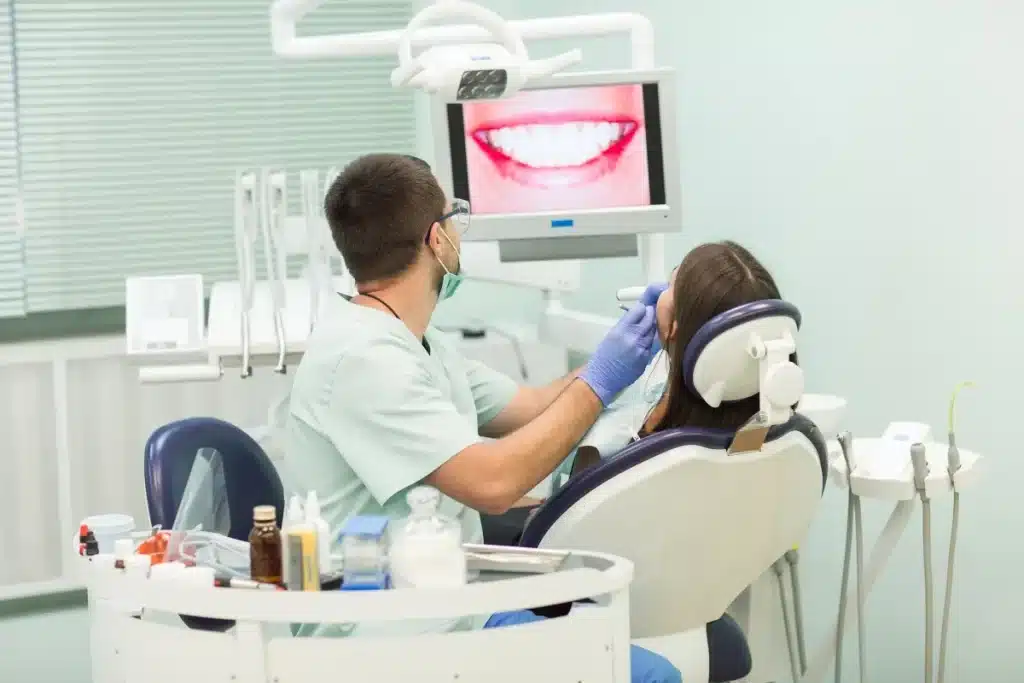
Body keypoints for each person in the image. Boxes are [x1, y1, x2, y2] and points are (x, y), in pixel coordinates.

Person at [283, 153, 679, 683]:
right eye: (455, 218)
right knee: (653, 677)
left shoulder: (416, 341)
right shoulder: (362, 359)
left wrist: (618, 354)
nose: (458, 233)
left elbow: (535, 408)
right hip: (392, 636)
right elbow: (492, 482)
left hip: (449, 603)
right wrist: (601, 379)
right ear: (436, 239)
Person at [559, 240, 791, 479]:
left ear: (673, 326)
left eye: (670, 286)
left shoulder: (617, 452)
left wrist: (599, 381)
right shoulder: (778, 441)